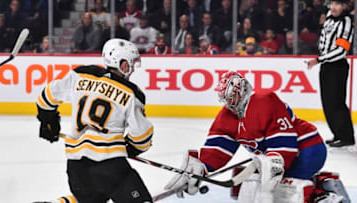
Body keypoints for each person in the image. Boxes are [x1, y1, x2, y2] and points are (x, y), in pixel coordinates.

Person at [165, 71, 328, 202]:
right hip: (276, 156)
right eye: (225, 99)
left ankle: (323, 197)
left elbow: (283, 141)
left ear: (242, 91)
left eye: (231, 97)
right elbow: (218, 148)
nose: (228, 102)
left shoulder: (265, 101)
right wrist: (202, 168)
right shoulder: (226, 116)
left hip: (307, 149)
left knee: (285, 191)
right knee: (253, 186)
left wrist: (274, 162)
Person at [35, 38, 153, 203]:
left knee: (90, 199)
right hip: (110, 167)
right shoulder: (131, 93)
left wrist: (48, 122)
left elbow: (46, 97)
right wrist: (131, 148)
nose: (132, 69)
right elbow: (142, 136)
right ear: (123, 65)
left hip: (76, 167)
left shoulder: (81, 74)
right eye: (131, 64)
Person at [307, 0, 355, 147]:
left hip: (337, 66)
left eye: (338, 4)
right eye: (332, 4)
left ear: (344, 6)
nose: (333, 7)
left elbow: (342, 50)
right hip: (327, 65)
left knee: (336, 102)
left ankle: (346, 137)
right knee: (327, 102)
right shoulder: (329, 16)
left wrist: (319, 59)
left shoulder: (346, 22)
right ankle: (337, 134)